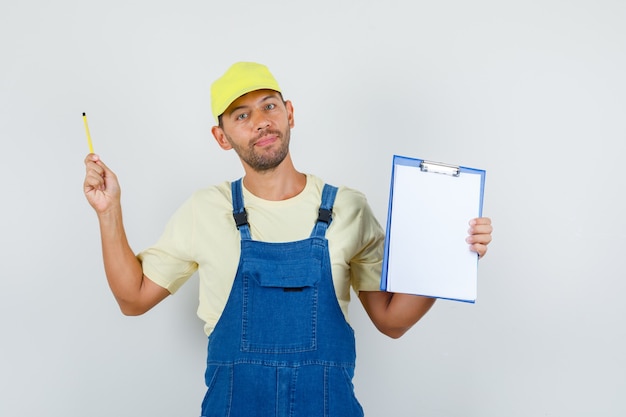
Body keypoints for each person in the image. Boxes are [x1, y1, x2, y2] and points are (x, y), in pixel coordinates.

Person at [83, 62, 493, 417]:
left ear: (290, 113)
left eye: (269, 106)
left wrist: (450, 255)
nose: (261, 120)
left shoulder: (348, 207)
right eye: (241, 115)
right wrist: (109, 211)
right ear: (221, 136)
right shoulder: (205, 209)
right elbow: (133, 298)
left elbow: (392, 320)